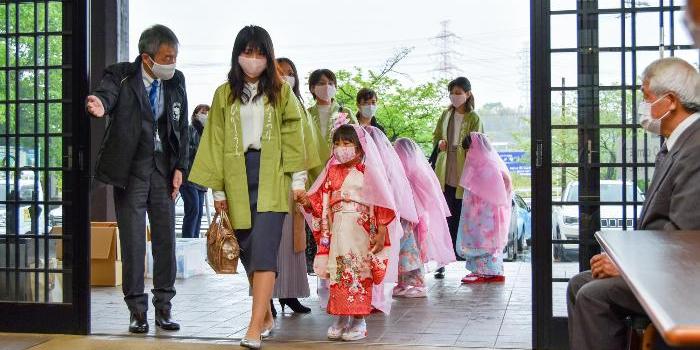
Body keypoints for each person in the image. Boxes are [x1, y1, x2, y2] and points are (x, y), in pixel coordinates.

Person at [188, 25, 319, 349]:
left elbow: (294, 135)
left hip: (273, 173)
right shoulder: (223, 94)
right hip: (236, 174)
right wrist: (218, 191)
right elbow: (215, 141)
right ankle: (267, 315)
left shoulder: (281, 92)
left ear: (268, 56)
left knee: (264, 250)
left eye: (260, 53)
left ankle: (252, 326)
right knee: (246, 246)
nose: (254, 60)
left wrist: (298, 180)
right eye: (248, 53)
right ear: (237, 55)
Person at [567, 57, 700, 350]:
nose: (642, 106)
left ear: (671, 101)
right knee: (580, 283)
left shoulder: (696, 147)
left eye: (646, 97)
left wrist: (628, 268)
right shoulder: (678, 144)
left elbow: (684, 235)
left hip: (683, 277)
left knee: (593, 295)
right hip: (664, 266)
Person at [85, 24, 187, 333]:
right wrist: (100, 104)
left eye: (175, 57)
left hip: (164, 171)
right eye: (166, 57)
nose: (172, 63)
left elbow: (180, 126)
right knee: (132, 244)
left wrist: (180, 166)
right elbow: (107, 95)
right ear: (147, 57)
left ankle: (164, 308)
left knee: (166, 242)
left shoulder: (176, 80)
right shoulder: (120, 74)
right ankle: (137, 311)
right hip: (130, 171)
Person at [300, 123, 397, 342]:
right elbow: (319, 201)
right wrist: (306, 200)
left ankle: (359, 320)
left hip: (361, 230)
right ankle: (341, 317)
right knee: (340, 272)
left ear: (360, 147)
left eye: (347, 143)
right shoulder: (331, 171)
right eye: (337, 144)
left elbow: (382, 202)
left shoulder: (369, 172)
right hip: (338, 229)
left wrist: (381, 230)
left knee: (359, 272)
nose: (341, 148)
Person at [268, 57, 318, 316]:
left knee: (293, 241)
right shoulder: (268, 101)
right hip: (273, 180)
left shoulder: (299, 103)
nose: (286, 77)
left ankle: (289, 294)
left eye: (291, 73)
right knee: (270, 242)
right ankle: (266, 298)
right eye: (281, 72)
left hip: (297, 183)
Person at [306, 68, 357, 308]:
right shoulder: (306, 114)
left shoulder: (346, 113)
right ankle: (324, 277)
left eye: (329, 82)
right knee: (321, 229)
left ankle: (344, 277)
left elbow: (359, 141)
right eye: (320, 83)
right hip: (314, 178)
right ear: (312, 87)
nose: (325, 87)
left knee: (343, 229)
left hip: (342, 182)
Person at [432, 76, 483, 279]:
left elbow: (479, 143)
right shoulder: (445, 114)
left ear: (468, 94)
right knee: (445, 217)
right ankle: (441, 260)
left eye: (459, 92)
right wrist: (439, 145)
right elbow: (436, 137)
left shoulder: (474, 117)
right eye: (452, 93)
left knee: (466, 217)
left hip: (465, 170)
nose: (455, 96)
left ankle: (471, 263)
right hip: (445, 169)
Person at [394, 138, 456, 295]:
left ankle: (419, 283)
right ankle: (403, 282)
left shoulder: (416, 170)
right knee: (402, 249)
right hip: (403, 214)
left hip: (414, 215)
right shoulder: (399, 168)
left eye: (398, 149)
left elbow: (429, 192)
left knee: (411, 248)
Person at [364, 127, 419, 301]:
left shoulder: (376, 161)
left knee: (392, 250)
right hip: (395, 211)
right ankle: (403, 284)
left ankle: (382, 291)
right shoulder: (386, 159)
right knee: (402, 249)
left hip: (387, 213)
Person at [455, 133, 511, 284]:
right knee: (482, 239)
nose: (467, 153)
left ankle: (486, 272)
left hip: (485, 214)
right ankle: (488, 271)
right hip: (482, 213)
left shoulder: (487, 165)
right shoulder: (485, 163)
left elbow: (500, 185)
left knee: (483, 240)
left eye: (469, 149)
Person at [180, 104, 209, 239]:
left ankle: (195, 242)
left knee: (198, 213)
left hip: (202, 180)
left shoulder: (208, 133)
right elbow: (186, 152)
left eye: (208, 112)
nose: (205, 115)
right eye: (203, 112)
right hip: (189, 177)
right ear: (196, 114)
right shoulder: (190, 130)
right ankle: (188, 241)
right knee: (193, 210)